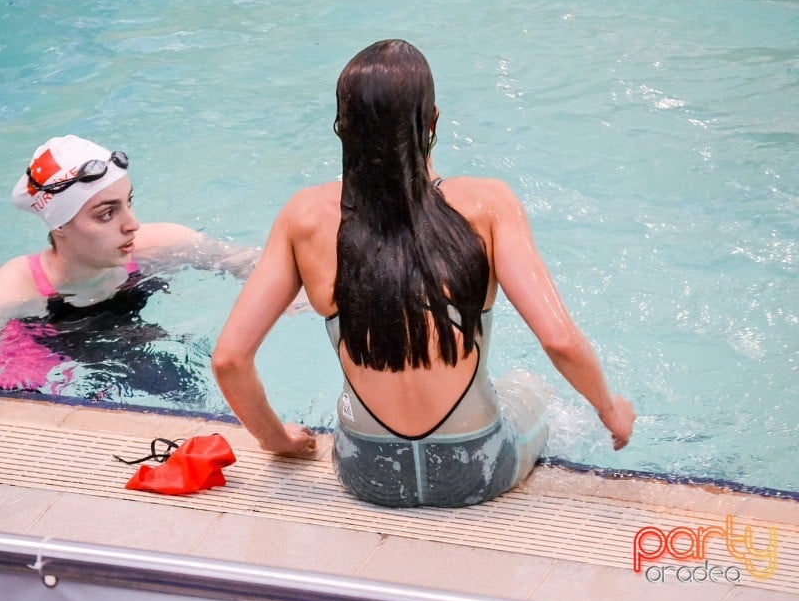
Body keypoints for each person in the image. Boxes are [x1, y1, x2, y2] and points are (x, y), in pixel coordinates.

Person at [212, 39, 636, 508]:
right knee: (531, 385)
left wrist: (277, 441)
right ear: (432, 121)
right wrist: (610, 409)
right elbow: (559, 340)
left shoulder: (304, 217)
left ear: (343, 126)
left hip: (367, 471)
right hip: (475, 466)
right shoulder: (487, 204)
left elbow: (230, 359)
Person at [0, 134, 257, 396]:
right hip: (55, 351)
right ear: (59, 225)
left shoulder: (158, 245)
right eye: (107, 213)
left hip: (135, 340)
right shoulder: (6, 292)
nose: (131, 223)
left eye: (128, 203)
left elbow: (250, 262)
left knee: (186, 385)